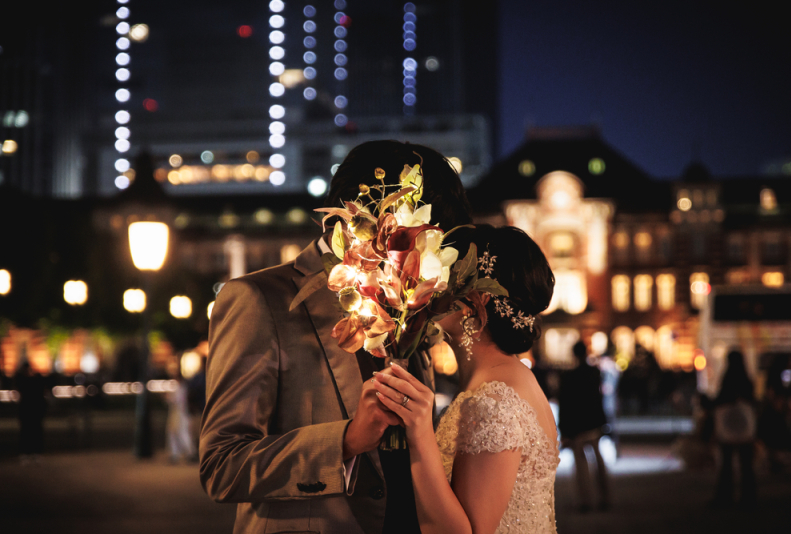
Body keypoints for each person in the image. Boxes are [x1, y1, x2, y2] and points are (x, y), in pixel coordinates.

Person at [200, 140, 472, 534]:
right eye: (422, 235)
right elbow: (221, 465)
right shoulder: (259, 300)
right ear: (368, 218)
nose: (428, 254)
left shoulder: (411, 298)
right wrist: (344, 440)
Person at [371, 225, 559, 534]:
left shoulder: (493, 402)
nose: (428, 285)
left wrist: (419, 434)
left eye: (440, 275)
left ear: (478, 299)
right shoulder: (511, 378)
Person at [558, 340, 610, 512]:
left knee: (581, 465)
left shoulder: (568, 376)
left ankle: (585, 501)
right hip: (594, 422)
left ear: (573, 354)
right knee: (599, 461)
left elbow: (565, 404)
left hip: (578, 425)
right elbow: (599, 399)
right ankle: (605, 497)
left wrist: (564, 430)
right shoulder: (594, 373)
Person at [712, 350, 757, 507]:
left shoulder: (728, 378)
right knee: (746, 465)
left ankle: (725, 496)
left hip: (729, 427)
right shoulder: (747, 380)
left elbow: (721, 399)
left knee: (726, 464)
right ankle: (748, 497)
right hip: (744, 428)